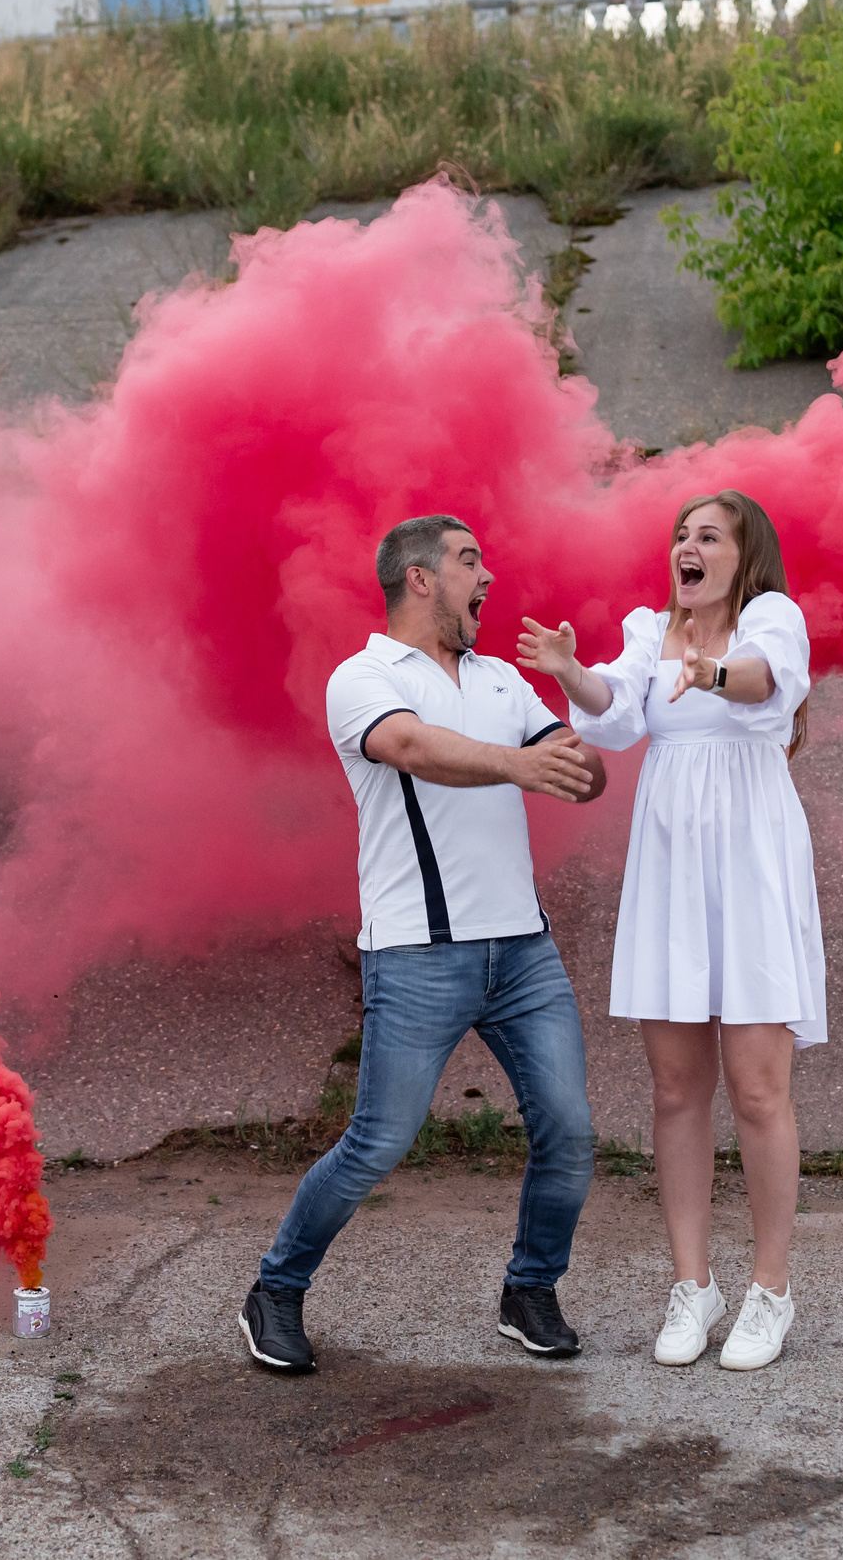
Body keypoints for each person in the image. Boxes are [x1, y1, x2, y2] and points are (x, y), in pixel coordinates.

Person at [239, 514, 609, 1375]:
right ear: (419, 577)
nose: (488, 574)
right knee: (377, 1141)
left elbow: (576, 775)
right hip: (416, 953)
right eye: (470, 559)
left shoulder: (502, 682)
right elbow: (406, 745)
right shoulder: (364, 676)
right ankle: (277, 1290)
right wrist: (521, 764)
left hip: (523, 950)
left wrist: (579, 756)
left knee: (571, 1129)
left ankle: (530, 1288)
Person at [515, 490, 823, 1373]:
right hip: (672, 870)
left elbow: (767, 681)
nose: (687, 547)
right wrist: (573, 671)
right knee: (677, 1086)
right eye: (681, 536)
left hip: (753, 863)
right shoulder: (652, 629)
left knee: (759, 1086)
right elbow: (615, 712)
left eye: (708, 536)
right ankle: (694, 1285)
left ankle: (770, 1289)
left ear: (743, 555)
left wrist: (709, 672)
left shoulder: (771, 617)